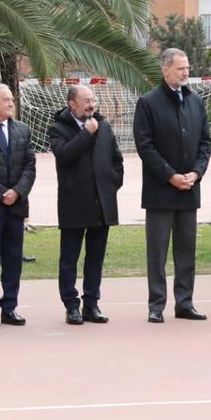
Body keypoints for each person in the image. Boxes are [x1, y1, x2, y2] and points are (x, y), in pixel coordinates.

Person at [133, 48, 211, 323]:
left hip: (189, 190)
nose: (186, 72)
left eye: (188, 67)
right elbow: (145, 146)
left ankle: (185, 303)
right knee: (157, 251)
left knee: (186, 250)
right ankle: (156, 305)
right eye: (180, 68)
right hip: (160, 192)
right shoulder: (148, 102)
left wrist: (196, 173)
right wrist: (170, 176)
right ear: (165, 70)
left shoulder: (196, 102)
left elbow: (205, 142)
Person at [48, 85, 123, 325]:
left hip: (102, 204)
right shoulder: (58, 128)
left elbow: (117, 161)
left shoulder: (104, 126)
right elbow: (65, 155)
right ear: (72, 104)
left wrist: (111, 185)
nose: (92, 105)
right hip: (73, 204)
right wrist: (86, 133)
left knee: (96, 257)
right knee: (69, 258)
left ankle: (91, 304)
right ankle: (72, 306)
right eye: (86, 101)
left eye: (93, 100)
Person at [0, 84, 35, 327]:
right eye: (5, 99)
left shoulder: (22, 130)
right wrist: (0, 193)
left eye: (11, 100)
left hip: (15, 208)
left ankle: (10, 308)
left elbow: (30, 166)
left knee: (13, 260)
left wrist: (17, 192)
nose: (10, 103)